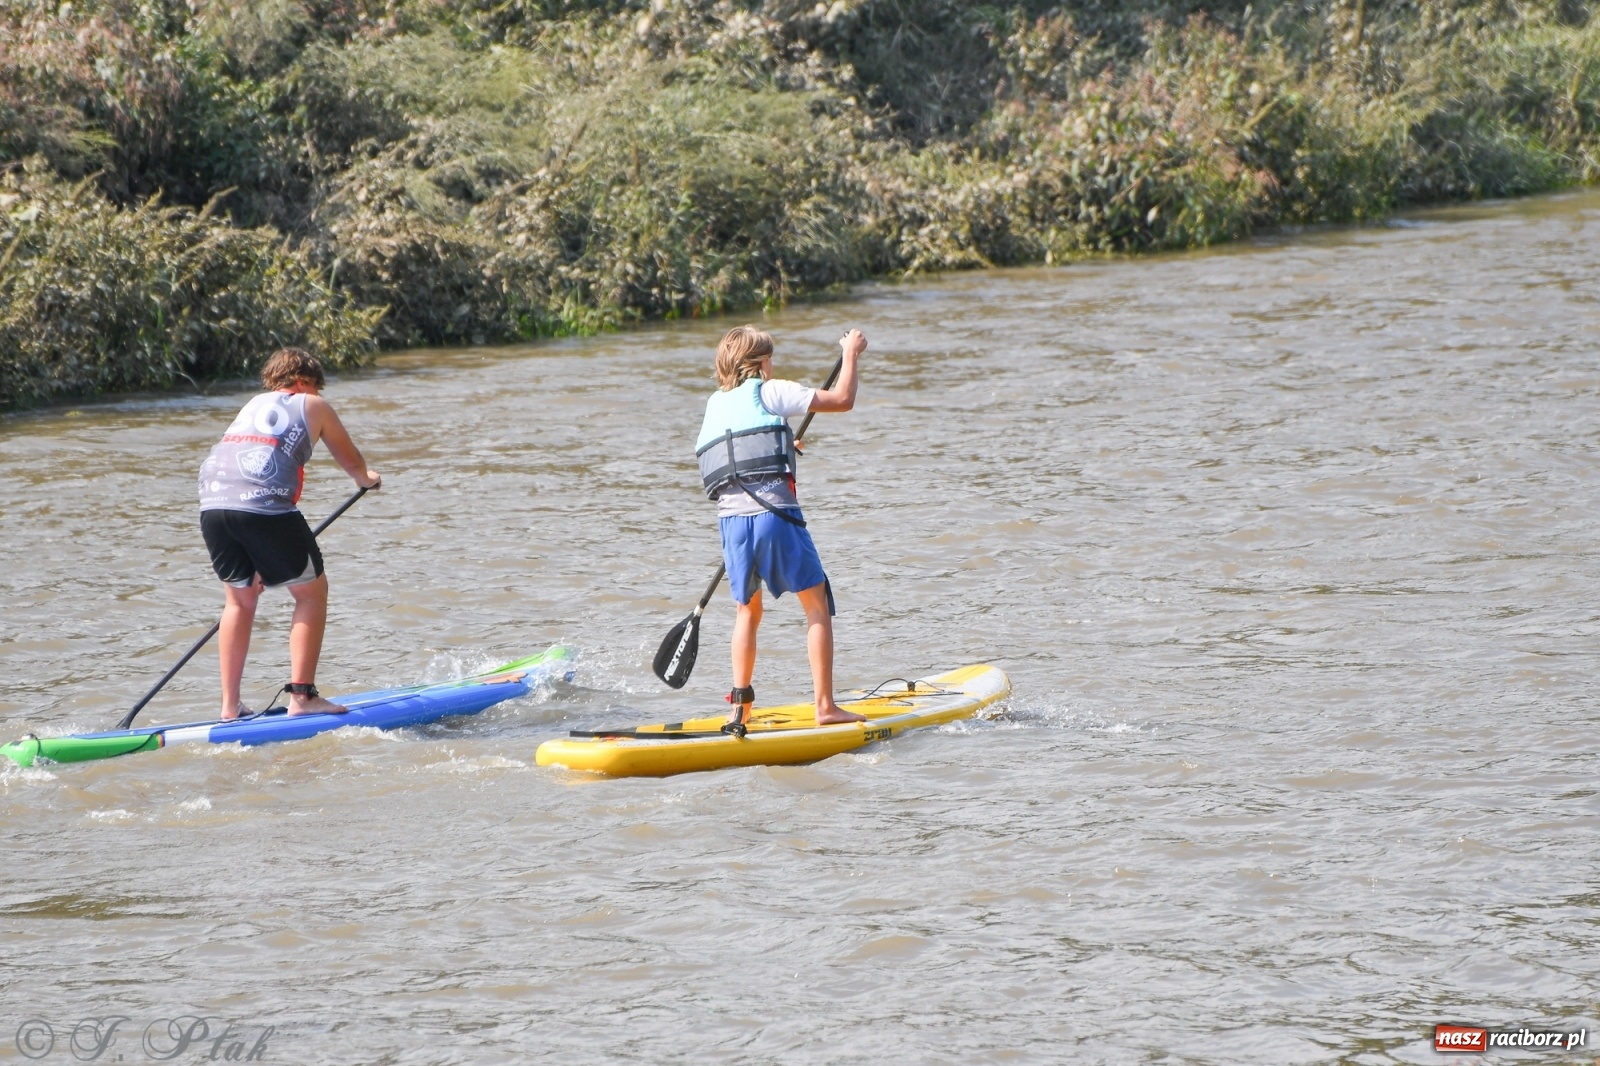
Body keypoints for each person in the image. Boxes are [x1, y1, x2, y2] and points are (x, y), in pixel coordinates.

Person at [694, 325, 869, 735]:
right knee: (816, 603)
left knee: (747, 612)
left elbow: (741, 455)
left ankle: (740, 711)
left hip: (732, 524)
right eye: (769, 358)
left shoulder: (714, 404)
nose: (772, 366)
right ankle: (825, 706)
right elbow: (842, 400)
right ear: (759, 363)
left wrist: (785, 445)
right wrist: (850, 354)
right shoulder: (769, 391)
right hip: (776, 516)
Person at [197, 348, 380, 719]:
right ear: (302, 382)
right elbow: (352, 461)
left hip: (213, 506)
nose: (316, 394)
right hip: (264, 508)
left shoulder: (251, 404)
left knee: (239, 601)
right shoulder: (312, 405)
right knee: (311, 594)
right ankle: (303, 697)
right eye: (315, 387)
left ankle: (229, 707)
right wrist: (367, 479)